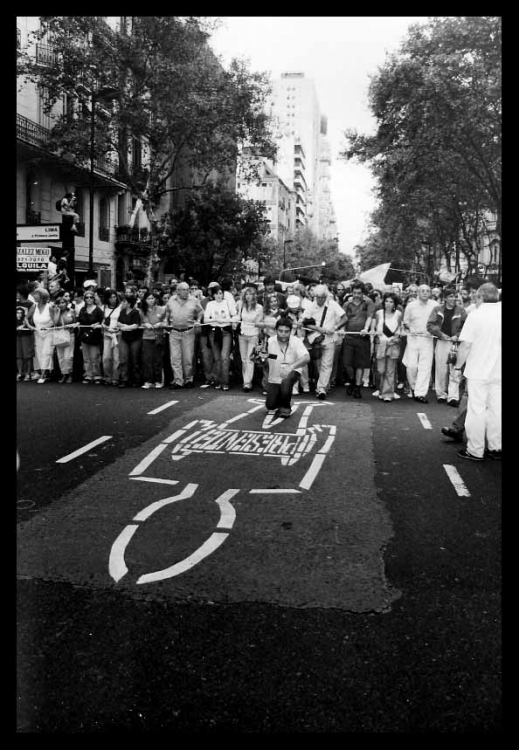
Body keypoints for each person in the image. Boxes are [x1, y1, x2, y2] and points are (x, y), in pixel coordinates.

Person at [454, 283, 501, 461]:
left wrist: (458, 367)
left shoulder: (476, 315)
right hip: (498, 370)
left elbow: (465, 345)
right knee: (497, 409)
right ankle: (496, 447)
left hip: (478, 370)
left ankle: (475, 449)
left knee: (476, 410)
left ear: (480, 297)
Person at [302, 284, 347, 400]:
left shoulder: (332, 304)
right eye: (318, 297)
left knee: (327, 365)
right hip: (316, 339)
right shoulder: (311, 306)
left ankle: (321, 389)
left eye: (323, 297)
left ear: (326, 296)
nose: (320, 299)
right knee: (318, 365)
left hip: (330, 339)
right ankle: (322, 385)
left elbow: (344, 317)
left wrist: (336, 328)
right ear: (315, 296)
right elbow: (304, 321)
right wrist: (318, 328)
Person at [426, 286, 467, 406]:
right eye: (450, 296)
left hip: (455, 343)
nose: (453, 298)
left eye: (455, 296)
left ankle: (453, 396)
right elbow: (430, 325)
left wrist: (458, 336)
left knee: (455, 369)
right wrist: (440, 334)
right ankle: (441, 394)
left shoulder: (461, 311)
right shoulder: (437, 309)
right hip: (442, 342)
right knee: (441, 369)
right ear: (445, 298)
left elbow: (466, 326)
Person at [264, 316, 311, 419]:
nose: (284, 334)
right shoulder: (269, 342)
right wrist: (259, 357)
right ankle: (280, 396)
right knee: (270, 406)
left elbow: (307, 358)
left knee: (286, 380)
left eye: (287, 331)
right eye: (280, 331)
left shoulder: (296, 341)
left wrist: (291, 367)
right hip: (275, 377)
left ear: (291, 331)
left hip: (293, 371)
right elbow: (260, 359)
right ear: (276, 330)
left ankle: (285, 408)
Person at [402, 284, 438, 403]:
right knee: (411, 366)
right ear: (417, 292)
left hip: (427, 338)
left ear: (430, 293)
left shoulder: (435, 305)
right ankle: (413, 386)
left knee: (425, 367)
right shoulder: (411, 306)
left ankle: (420, 393)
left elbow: (439, 321)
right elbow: (405, 322)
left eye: (427, 291)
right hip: (413, 338)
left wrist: (433, 330)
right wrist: (410, 329)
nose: (425, 293)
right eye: (422, 291)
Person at [165, 281, 204, 389]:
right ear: (178, 291)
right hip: (174, 332)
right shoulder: (171, 300)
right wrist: (165, 322)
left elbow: (201, 312)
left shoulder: (194, 300)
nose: (187, 292)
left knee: (188, 358)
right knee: (175, 358)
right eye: (184, 290)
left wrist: (198, 320)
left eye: (188, 290)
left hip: (188, 332)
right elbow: (167, 313)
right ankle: (178, 380)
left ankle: (188, 379)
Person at [340, 281, 374, 399]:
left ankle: (357, 387)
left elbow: (370, 317)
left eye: (359, 293)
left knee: (360, 364)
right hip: (349, 337)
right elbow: (343, 318)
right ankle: (352, 380)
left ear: (363, 293)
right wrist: (342, 330)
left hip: (362, 337)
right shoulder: (346, 304)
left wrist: (366, 328)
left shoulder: (368, 302)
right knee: (348, 364)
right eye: (354, 293)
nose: (356, 295)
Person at [370, 292, 403, 401]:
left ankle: (388, 394)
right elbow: (374, 327)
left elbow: (400, 328)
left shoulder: (398, 314)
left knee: (390, 370)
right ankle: (381, 389)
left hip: (392, 344)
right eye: (387, 301)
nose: (388, 304)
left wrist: (396, 338)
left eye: (391, 302)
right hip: (381, 344)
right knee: (380, 369)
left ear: (395, 304)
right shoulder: (379, 313)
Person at [204, 285, 235, 391]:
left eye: (221, 293)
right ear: (213, 295)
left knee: (224, 357)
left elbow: (235, 316)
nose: (219, 295)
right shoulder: (210, 304)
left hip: (226, 331)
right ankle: (218, 381)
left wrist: (228, 320)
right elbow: (205, 320)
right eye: (216, 293)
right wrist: (215, 320)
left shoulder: (227, 303)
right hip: (214, 332)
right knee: (217, 358)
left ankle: (225, 382)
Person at [235, 284, 264, 392]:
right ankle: (245, 380)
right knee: (243, 359)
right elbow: (238, 316)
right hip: (242, 334)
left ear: (254, 296)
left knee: (250, 359)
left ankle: (247, 383)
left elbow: (259, 322)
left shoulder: (259, 307)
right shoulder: (241, 304)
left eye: (250, 294)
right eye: (246, 294)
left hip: (253, 334)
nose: (248, 296)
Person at [26, 287, 56, 383]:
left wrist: (57, 312)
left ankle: (43, 375)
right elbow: (26, 318)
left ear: (43, 296)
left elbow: (55, 322)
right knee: (39, 353)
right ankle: (45, 373)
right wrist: (30, 326)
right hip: (37, 332)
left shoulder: (50, 307)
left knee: (46, 353)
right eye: (34, 294)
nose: (34, 296)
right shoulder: (34, 306)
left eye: (37, 294)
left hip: (49, 332)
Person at [117, 286, 143, 388]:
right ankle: (124, 379)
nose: (123, 304)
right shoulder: (122, 312)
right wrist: (123, 327)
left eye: (124, 302)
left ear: (129, 303)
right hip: (124, 337)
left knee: (135, 359)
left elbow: (136, 325)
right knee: (124, 359)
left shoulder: (135, 312)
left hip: (135, 338)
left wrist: (126, 327)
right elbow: (118, 322)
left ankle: (136, 379)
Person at [141, 290, 167, 389]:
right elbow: (140, 322)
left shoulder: (161, 309)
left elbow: (165, 321)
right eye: (149, 298)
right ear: (145, 300)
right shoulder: (142, 310)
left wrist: (160, 324)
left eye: (152, 298)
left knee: (157, 359)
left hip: (158, 336)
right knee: (147, 359)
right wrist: (144, 324)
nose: (151, 300)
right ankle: (148, 380)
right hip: (147, 336)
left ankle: (158, 380)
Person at [77, 289, 104, 384]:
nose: (89, 299)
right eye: (87, 297)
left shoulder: (98, 310)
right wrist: (76, 323)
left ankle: (97, 375)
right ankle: (88, 375)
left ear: (94, 298)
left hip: (94, 336)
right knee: (86, 357)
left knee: (95, 357)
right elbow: (80, 320)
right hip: (84, 335)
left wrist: (98, 323)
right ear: (84, 299)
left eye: (91, 297)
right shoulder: (82, 309)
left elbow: (103, 321)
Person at [51, 294, 76, 383]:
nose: (62, 304)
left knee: (68, 357)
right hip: (59, 336)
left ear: (66, 303)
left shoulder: (72, 311)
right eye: (59, 303)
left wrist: (72, 327)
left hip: (70, 336)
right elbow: (55, 322)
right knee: (60, 357)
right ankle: (64, 374)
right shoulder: (56, 312)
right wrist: (57, 311)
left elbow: (76, 323)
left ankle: (70, 374)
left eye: (63, 303)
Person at [101, 289, 122, 386]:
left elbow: (123, 320)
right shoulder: (104, 307)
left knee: (116, 358)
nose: (113, 299)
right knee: (106, 358)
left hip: (117, 335)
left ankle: (115, 378)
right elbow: (102, 321)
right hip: (107, 334)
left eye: (114, 297)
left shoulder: (120, 307)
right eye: (110, 297)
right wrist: (104, 326)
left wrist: (118, 327)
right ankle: (107, 377)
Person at [16, 283, 35, 381]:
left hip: (26, 332)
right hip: (17, 332)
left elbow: (29, 318)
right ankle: (20, 373)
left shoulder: (31, 304)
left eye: (18, 293)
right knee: (18, 354)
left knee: (27, 354)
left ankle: (28, 373)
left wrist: (23, 325)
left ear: (22, 293)